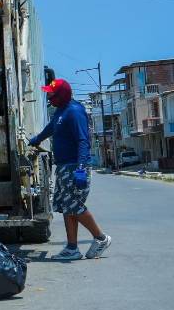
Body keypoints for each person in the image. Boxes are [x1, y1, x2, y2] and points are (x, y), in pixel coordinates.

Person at [28, 79, 112, 260]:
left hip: (75, 166)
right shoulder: (61, 111)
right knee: (67, 206)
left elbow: (83, 140)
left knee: (74, 205)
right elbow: (51, 128)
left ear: (61, 95)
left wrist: (81, 169)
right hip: (64, 166)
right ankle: (72, 248)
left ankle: (101, 238)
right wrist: (37, 138)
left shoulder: (74, 111)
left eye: (51, 94)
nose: (48, 96)